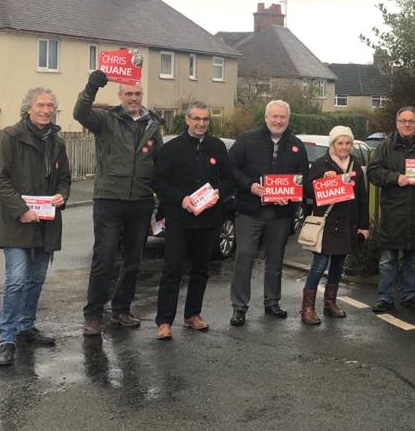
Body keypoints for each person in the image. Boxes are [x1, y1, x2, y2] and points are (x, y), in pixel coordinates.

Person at [74, 70, 162, 336]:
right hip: (109, 198)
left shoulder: (153, 125)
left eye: (137, 93)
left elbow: (158, 164)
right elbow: (80, 112)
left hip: (141, 200)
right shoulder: (106, 120)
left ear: (142, 95)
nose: (133, 98)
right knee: (105, 257)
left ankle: (122, 309)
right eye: (128, 94)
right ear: (120, 96)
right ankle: (93, 315)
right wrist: (91, 86)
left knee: (133, 260)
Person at [0, 88, 71, 367]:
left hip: (46, 224)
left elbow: (64, 180)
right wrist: (22, 210)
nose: (46, 110)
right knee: (16, 280)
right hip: (17, 224)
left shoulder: (57, 142)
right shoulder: (10, 137)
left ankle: (26, 327)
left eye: (51, 105)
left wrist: (62, 196)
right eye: (41, 105)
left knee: (36, 280)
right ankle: (7, 339)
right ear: (29, 108)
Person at [152, 102, 234, 340]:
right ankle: (164, 321)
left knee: (201, 269)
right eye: (196, 119)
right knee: (172, 269)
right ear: (187, 120)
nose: (201, 124)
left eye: (205, 119)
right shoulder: (172, 148)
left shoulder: (217, 146)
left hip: (208, 220)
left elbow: (229, 179)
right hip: (179, 218)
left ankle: (192, 315)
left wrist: (218, 193)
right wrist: (181, 199)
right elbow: (158, 182)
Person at [228, 99, 309, 323]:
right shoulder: (246, 139)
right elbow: (230, 167)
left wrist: (292, 194)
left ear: (288, 119)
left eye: (282, 117)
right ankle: (239, 307)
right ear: (265, 118)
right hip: (249, 211)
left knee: (276, 260)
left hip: (280, 215)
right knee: (244, 257)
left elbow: (302, 178)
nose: (278, 120)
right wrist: (249, 185)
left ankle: (272, 302)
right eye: (274, 116)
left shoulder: (296, 145)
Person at [368, 106, 415, 312]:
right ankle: (385, 297)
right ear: (396, 123)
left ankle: (409, 295)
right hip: (393, 211)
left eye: (412, 121)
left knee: (413, 258)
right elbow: (373, 172)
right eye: (403, 121)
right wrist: (395, 178)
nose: (407, 124)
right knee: (387, 259)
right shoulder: (386, 146)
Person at [301, 126, 370, 324]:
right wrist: (322, 180)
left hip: (348, 222)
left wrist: (363, 226)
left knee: (338, 265)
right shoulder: (321, 163)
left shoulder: (355, 165)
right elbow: (307, 190)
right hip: (327, 223)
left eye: (348, 143)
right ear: (332, 144)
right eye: (340, 143)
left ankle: (330, 303)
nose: (344, 147)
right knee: (319, 266)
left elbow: (362, 198)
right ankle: (308, 308)